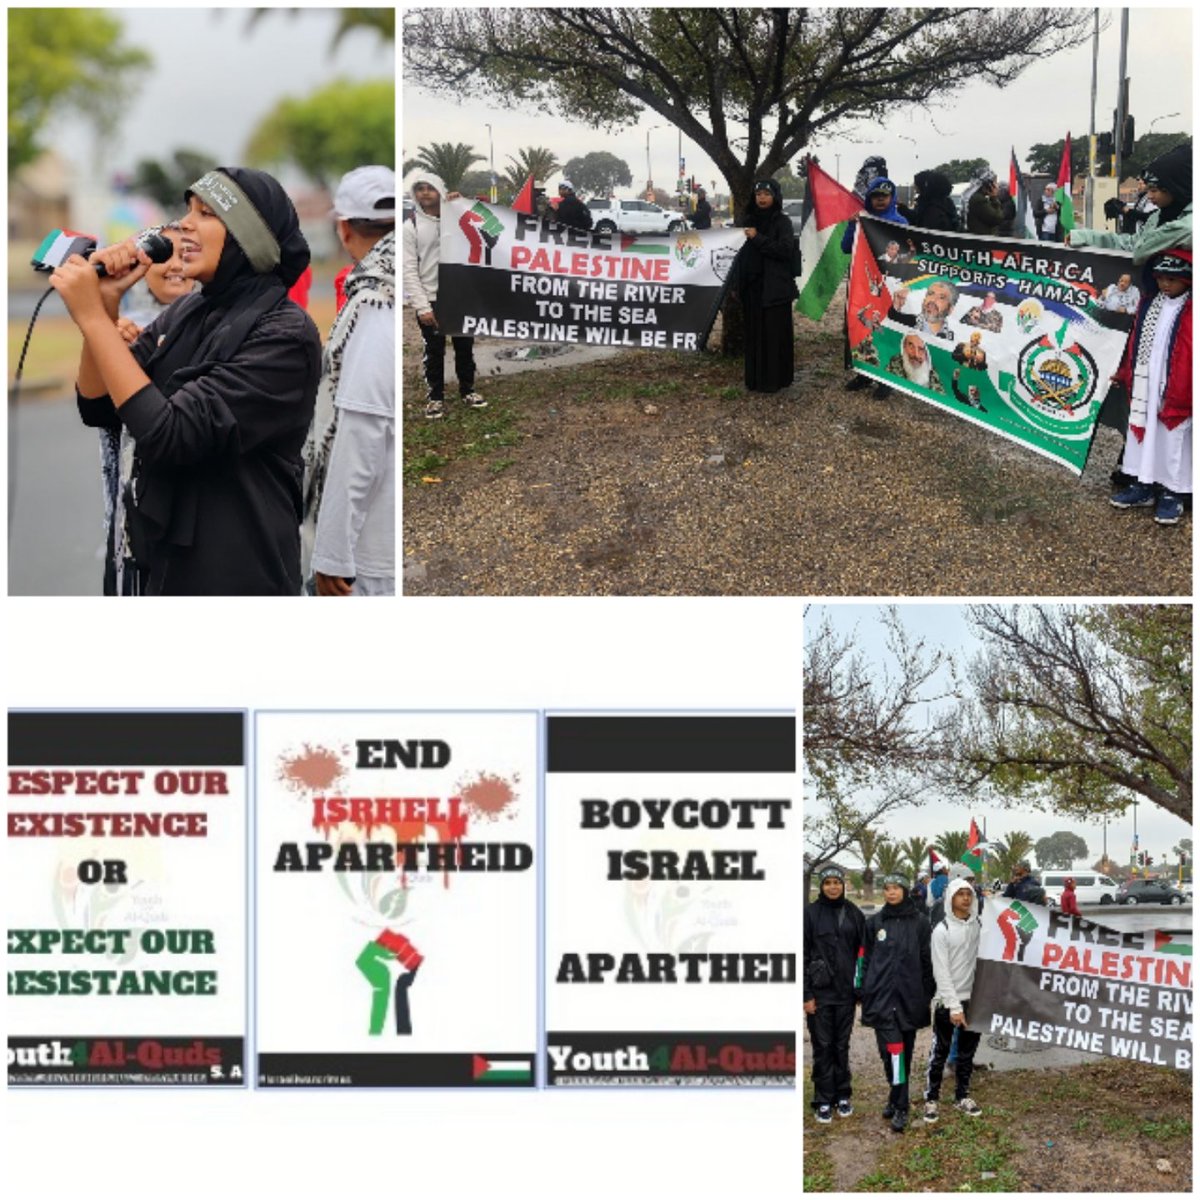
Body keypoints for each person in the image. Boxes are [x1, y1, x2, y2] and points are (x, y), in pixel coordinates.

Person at [58, 167, 321, 596]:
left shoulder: (286, 333)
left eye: (208, 213)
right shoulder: (187, 312)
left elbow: (172, 434)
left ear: (247, 236)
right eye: (187, 210)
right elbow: (99, 405)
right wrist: (104, 306)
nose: (184, 223)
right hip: (161, 562)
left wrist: (90, 317)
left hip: (235, 570)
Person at [87, 223, 194, 596]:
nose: (177, 265)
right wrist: (107, 333)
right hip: (131, 520)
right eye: (166, 254)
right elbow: (94, 408)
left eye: (188, 254)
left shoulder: (225, 327)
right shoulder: (121, 325)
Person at [308, 165, 396, 597]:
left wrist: (331, 555)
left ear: (343, 229)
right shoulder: (410, 281)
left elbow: (361, 432)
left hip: (374, 557)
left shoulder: (376, 301)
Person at [1108, 251, 1192, 525]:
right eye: (1161, 278)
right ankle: (1143, 482)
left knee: (1174, 438)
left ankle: (1174, 492)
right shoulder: (1148, 304)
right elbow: (1134, 341)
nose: (1165, 285)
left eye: (1172, 279)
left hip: (1179, 384)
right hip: (1146, 381)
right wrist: (1124, 371)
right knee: (1143, 429)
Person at [402, 168, 486, 420]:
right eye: (420, 188)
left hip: (459, 295)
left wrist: (461, 204)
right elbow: (408, 268)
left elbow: (487, 231)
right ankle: (435, 397)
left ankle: (468, 390)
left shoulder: (457, 217)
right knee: (434, 350)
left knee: (464, 346)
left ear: (439, 190)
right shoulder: (411, 226)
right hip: (431, 298)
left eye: (429, 188)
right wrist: (422, 306)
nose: (425, 193)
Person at [860, 873, 935, 1133]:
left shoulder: (920, 923)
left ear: (904, 890)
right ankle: (901, 1104)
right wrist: (863, 989)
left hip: (909, 999)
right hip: (881, 999)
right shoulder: (875, 923)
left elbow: (927, 962)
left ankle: (896, 1097)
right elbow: (865, 959)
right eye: (887, 889)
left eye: (895, 888)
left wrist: (925, 995)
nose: (891, 893)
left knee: (904, 1050)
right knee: (890, 1052)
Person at [804, 865, 867, 1123]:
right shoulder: (809, 914)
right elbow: (802, 954)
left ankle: (843, 1094)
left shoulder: (853, 913)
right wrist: (806, 995)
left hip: (846, 995)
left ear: (843, 885)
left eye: (836, 882)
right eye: (827, 882)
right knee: (823, 1046)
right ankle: (822, 1098)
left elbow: (863, 954)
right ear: (821, 885)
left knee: (841, 1046)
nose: (832, 887)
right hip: (819, 996)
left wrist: (861, 989)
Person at [1068, 142, 1192, 266]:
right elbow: (1132, 244)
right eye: (1148, 190)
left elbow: (1140, 252)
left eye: (1154, 190)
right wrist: (1084, 236)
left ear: (1176, 187)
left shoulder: (1188, 226)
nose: (1149, 196)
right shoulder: (1159, 216)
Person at [923, 877, 984, 1122]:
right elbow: (941, 972)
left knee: (967, 1054)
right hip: (947, 1003)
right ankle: (931, 1098)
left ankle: (962, 1096)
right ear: (950, 899)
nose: (966, 899)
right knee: (941, 1051)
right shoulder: (942, 931)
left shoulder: (978, 926)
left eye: (969, 894)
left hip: (974, 1000)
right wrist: (954, 1006)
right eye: (960, 895)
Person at [843, 177, 908, 396]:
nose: (879, 200)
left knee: (885, 328)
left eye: (884, 196)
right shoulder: (861, 219)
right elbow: (845, 247)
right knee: (862, 325)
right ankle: (864, 373)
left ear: (892, 198)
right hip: (862, 284)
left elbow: (907, 256)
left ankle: (886, 380)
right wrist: (853, 225)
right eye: (875, 196)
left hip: (887, 286)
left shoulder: (900, 222)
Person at [735, 178, 797, 394]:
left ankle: (775, 380)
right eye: (758, 193)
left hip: (776, 289)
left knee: (774, 335)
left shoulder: (782, 222)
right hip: (753, 288)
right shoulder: (747, 220)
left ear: (775, 197)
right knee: (754, 335)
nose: (762, 198)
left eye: (766, 194)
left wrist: (758, 238)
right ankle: (755, 380)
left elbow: (784, 250)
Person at [891, 279, 958, 340]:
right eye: (931, 294)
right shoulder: (904, 321)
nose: (933, 300)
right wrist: (897, 306)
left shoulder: (954, 340)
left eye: (941, 297)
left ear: (950, 309)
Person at [964, 169, 1004, 237]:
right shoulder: (979, 200)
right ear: (988, 184)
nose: (996, 186)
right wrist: (994, 198)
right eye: (994, 182)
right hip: (982, 242)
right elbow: (997, 218)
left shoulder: (978, 197)